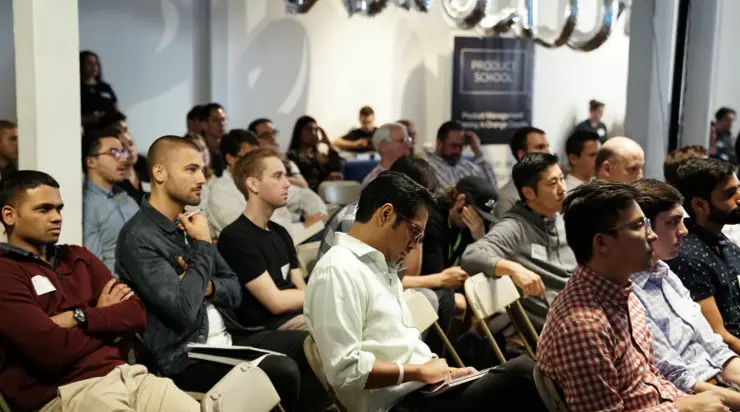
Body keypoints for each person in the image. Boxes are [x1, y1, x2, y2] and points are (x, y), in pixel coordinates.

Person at [115, 136, 326, 412]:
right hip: (185, 356)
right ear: (159, 173)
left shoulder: (191, 222)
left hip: (229, 337)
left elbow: (235, 290)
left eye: (202, 169)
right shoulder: (138, 237)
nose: (202, 178)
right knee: (280, 370)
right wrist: (203, 245)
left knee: (312, 344)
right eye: (191, 169)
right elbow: (183, 308)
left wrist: (208, 286)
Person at [305, 171, 547, 412]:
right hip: (395, 403)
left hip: (421, 391)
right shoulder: (337, 270)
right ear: (385, 214)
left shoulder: (380, 266)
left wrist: (449, 372)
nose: (415, 244)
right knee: (523, 375)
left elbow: (404, 348)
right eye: (415, 232)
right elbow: (345, 371)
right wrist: (419, 372)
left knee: (521, 375)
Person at [0, 170, 198, 412]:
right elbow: (50, 352)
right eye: (43, 209)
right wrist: (105, 320)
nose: (56, 217)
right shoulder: (5, 272)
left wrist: (79, 317)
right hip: (66, 392)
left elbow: (135, 314)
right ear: (9, 215)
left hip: (126, 375)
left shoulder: (78, 256)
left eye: (59, 209)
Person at [537, 179, 725, 411]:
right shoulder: (582, 327)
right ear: (601, 243)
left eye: (646, 224)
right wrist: (682, 408)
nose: (652, 235)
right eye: (638, 226)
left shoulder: (621, 291)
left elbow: (649, 379)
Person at [318, 156, 458, 355]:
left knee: (436, 299)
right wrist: (439, 279)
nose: (424, 209)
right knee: (429, 299)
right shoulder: (356, 222)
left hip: (374, 294)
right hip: (348, 302)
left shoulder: (393, 231)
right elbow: (346, 365)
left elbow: (406, 274)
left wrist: (416, 231)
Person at [631, 178, 740, 409]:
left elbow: (717, 350)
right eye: (672, 223)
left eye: (682, 221)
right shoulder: (629, 293)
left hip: (721, 383)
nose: (683, 231)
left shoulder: (665, 272)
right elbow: (677, 378)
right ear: (645, 229)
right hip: (695, 399)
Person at [462, 153, 575, 322]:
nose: (562, 189)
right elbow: (471, 255)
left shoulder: (562, 217)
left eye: (561, 179)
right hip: (555, 323)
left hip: (579, 305)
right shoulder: (514, 227)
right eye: (553, 183)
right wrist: (514, 268)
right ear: (529, 193)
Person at [219, 148, 308, 331]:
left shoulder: (280, 232)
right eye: (277, 176)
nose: (287, 184)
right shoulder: (235, 238)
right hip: (269, 328)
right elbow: (276, 302)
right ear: (253, 184)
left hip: (298, 316)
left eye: (285, 176)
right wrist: (324, 294)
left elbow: (302, 290)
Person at [668, 158, 740, 353]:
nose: (739, 198)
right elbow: (720, 337)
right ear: (700, 204)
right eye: (729, 194)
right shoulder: (688, 256)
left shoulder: (724, 243)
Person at [207, 129, 326, 239]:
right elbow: (254, 233)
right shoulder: (221, 193)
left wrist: (318, 215)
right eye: (248, 157)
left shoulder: (260, 178)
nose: (255, 162)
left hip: (293, 238)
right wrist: (305, 227)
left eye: (257, 156)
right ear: (230, 159)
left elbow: (302, 195)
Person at [82, 128, 139, 273]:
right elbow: (94, 265)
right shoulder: (86, 204)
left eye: (123, 153)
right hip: (115, 283)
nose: (123, 159)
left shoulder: (128, 200)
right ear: (91, 161)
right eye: (113, 153)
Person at [424, 121, 498, 194]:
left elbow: (493, 190)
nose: (458, 151)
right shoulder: (428, 167)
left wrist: (478, 152)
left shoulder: (468, 166)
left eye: (461, 146)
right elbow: (450, 195)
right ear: (439, 143)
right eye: (454, 145)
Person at [493, 126, 550, 219]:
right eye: (540, 147)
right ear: (522, 155)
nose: (548, 152)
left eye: (547, 147)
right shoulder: (508, 197)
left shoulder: (557, 186)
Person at [98, 111, 149, 204]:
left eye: (130, 143)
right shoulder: (113, 181)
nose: (129, 149)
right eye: (123, 146)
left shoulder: (144, 164)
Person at [248, 117, 310, 189]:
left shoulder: (287, 162)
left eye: (274, 133)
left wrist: (274, 178)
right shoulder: (250, 165)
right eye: (266, 135)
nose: (273, 138)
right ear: (254, 141)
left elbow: (303, 185)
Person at [286, 115, 343, 192]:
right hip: (309, 194)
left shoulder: (320, 155)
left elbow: (336, 168)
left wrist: (328, 143)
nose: (313, 133)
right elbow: (303, 184)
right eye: (309, 130)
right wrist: (324, 182)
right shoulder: (292, 156)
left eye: (316, 130)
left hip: (330, 193)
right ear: (299, 133)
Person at [361, 123, 412, 188]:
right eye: (401, 141)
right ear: (383, 146)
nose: (408, 145)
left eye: (408, 140)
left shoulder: (412, 173)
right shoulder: (374, 183)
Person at [79, 51, 119, 128]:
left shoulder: (105, 87)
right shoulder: (77, 88)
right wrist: (89, 118)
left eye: (96, 63)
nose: (94, 67)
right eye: (89, 63)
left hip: (112, 128)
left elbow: (116, 110)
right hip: (90, 130)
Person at [197, 103, 228, 177]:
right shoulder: (199, 149)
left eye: (223, 119)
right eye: (216, 120)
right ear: (203, 124)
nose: (221, 124)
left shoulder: (230, 146)